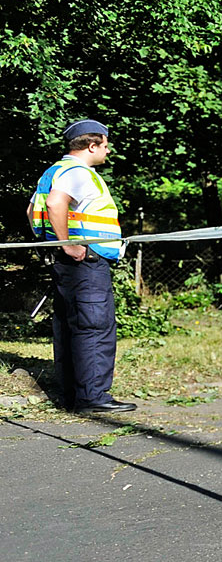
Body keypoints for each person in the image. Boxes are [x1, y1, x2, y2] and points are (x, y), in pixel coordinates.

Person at [29, 119, 136, 413]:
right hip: (85, 259)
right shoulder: (78, 173)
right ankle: (93, 397)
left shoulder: (54, 171)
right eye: (105, 144)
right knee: (94, 325)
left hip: (67, 262)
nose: (108, 150)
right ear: (92, 145)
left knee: (69, 325)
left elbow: (32, 210)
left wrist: (50, 245)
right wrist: (67, 244)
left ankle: (73, 397)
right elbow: (55, 204)